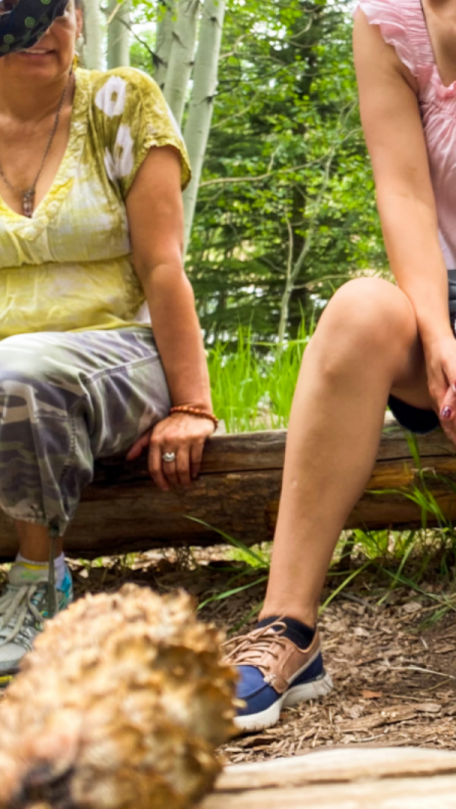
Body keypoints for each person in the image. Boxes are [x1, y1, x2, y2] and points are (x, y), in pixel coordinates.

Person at [220, 0, 456, 733]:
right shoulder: (389, 22)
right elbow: (402, 191)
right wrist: (436, 332)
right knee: (357, 311)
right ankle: (287, 626)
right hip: (444, 288)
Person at [0, 0, 214, 683]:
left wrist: (194, 404)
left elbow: (162, 266)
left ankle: (40, 577)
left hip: (115, 352)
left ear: (82, 22)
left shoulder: (121, 104)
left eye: (58, 10)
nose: (42, 29)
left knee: (19, 374)